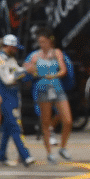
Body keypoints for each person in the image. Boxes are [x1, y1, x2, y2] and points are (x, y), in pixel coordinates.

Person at [25, 28, 73, 163]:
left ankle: (63, 147)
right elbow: (29, 70)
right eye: (40, 42)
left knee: (68, 120)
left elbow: (63, 70)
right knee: (45, 122)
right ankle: (49, 153)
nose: (42, 45)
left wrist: (54, 75)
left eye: (44, 42)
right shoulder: (35, 55)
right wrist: (31, 70)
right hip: (43, 88)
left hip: (57, 87)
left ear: (50, 42)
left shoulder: (56, 53)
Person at [0, 34, 33, 166]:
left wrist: (30, 70)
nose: (16, 50)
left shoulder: (11, 59)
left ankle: (1, 156)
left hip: (14, 94)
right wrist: (25, 71)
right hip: (4, 95)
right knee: (15, 126)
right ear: (8, 46)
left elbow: (18, 71)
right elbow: (7, 79)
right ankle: (25, 156)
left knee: (8, 127)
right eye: (14, 47)